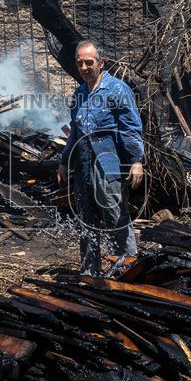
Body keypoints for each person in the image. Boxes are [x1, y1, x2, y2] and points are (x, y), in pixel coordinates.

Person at [57, 40, 144, 277]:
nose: (84, 68)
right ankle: (90, 272)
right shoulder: (79, 94)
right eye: (80, 64)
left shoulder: (117, 90)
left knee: (115, 216)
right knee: (86, 219)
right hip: (83, 163)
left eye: (89, 62)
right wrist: (64, 161)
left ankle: (126, 270)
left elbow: (131, 127)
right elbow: (75, 132)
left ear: (101, 63)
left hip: (108, 163)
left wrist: (137, 161)